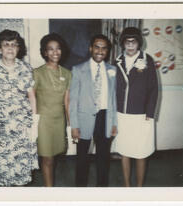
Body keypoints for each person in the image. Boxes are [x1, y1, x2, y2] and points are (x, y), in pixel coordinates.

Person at [0, 29, 38, 186]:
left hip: (22, 128)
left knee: (21, 170)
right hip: (1, 129)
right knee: (4, 171)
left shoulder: (26, 68)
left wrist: (35, 125)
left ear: (18, 49)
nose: (10, 48)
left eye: (14, 45)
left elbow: (32, 97)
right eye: (6, 44)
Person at [70, 34, 117, 187]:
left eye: (104, 48)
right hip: (84, 118)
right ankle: (80, 190)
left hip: (105, 117)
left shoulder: (112, 70)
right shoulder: (78, 70)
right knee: (82, 158)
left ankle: (102, 191)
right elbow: (73, 100)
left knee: (103, 158)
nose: (100, 51)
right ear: (91, 48)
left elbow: (113, 98)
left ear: (107, 51)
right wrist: (74, 125)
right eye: (97, 47)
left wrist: (114, 123)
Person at [115, 27, 158, 187]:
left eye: (134, 41)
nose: (131, 45)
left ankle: (139, 188)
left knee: (141, 152)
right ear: (123, 43)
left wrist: (150, 113)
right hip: (122, 115)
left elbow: (154, 88)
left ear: (139, 42)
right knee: (125, 151)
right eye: (127, 41)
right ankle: (127, 186)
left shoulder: (148, 59)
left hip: (141, 115)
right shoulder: (118, 60)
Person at [33, 33, 71, 187]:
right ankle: (49, 192)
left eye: (58, 49)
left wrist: (70, 125)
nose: (55, 52)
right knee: (47, 157)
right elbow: (31, 99)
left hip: (59, 120)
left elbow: (67, 101)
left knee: (55, 156)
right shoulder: (37, 73)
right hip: (43, 121)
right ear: (45, 52)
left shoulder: (67, 73)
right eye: (51, 49)